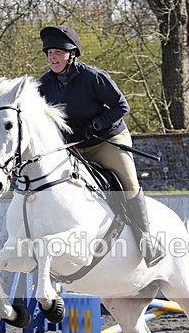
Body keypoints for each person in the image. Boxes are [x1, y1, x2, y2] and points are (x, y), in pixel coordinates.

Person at [37, 25, 165, 267]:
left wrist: (97, 123)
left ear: (72, 54)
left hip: (106, 140)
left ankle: (146, 239)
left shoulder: (92, 77)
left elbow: (121, 106)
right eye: (50, 53)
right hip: (74, 145)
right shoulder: (44, 85)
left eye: (58, 53)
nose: (53, 58)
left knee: (128, 183)